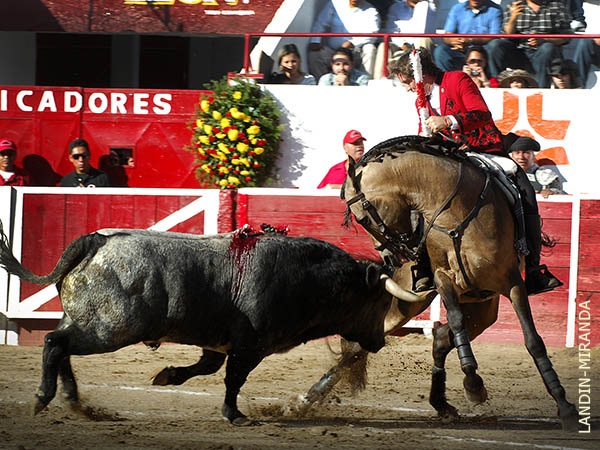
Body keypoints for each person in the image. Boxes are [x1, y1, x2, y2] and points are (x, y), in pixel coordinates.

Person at [388, 47, 562, 295]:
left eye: (407, 82)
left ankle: (533, 269)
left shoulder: (457, 79)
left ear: (421, 75)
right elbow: (424, 131)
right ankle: (423, 264)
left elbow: (481, 114)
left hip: (484, 149)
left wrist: (447, 120)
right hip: (451, 158)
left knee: (525, 190)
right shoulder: (422, 99)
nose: (407, 88)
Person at [487, 0, 572, 89]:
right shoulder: (515, 6)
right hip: (518, 52)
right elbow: (506, 35)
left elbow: (565, 37)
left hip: (542, 53)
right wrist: (513, 18)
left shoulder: (557, 7)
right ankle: (496, 86)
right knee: (495, 45)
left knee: (547, 48)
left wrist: (543, 39)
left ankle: (540, 90)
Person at [308, 0, 381, 80]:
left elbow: (373, 35)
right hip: (333, 51)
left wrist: (352, 43)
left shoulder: (371, 11)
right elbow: (320, 23)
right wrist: (315, 40)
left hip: (355, 52)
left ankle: (364, 82)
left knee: (369, 49)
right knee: (315, 54)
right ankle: (323, 82)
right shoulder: (335, 3)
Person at [373, 0, 437, 79]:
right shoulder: (396, 7)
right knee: (383, 46)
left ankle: (421, 81)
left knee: (424, 39)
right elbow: (391, 30)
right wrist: (402, 44)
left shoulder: (430, 6)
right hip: (400, 44)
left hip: (420, 45)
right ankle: (379, 81)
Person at [433, 0, 502, 72]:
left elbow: (494, 36)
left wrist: (470, 40)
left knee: (495, 46)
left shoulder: (495, 10)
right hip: (461, 50)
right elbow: (447, 36)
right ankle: (444, 80)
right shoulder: (457, 9)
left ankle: (494, 81)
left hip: (484, 51)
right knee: (441, 51)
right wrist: (456, 42)